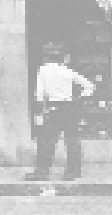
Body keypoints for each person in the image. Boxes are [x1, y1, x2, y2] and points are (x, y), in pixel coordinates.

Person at [30, 43, 95, 181]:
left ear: (47, 57)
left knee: (47, 140)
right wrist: (79, 98)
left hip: (53, 108)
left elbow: (39, 94)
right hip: (70, 107)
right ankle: (73, 172)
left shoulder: (43, 70)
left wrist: (41, 111)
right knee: (72, 140)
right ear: (60, 57)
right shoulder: (67, 71)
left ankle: (42, 171)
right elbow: (89, 86)